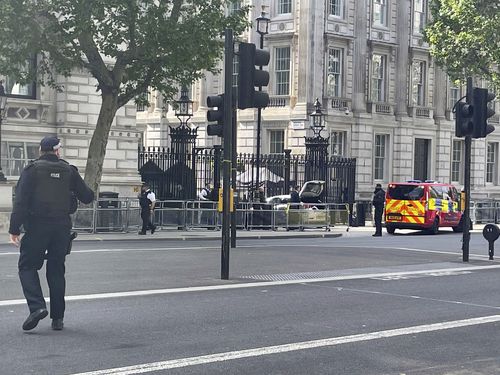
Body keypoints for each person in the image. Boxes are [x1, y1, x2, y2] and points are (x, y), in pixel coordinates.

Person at [8, 136, 94, 331]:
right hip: (61, 228)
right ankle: (58, 319)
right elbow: (88, 197)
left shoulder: (32, 170)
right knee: (56, 270)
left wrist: (14, 229)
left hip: (37, 225)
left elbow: (20, 202)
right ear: (58, 151)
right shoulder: (69, 170)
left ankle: (37, 307)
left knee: (27, 266)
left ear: (40, 150)